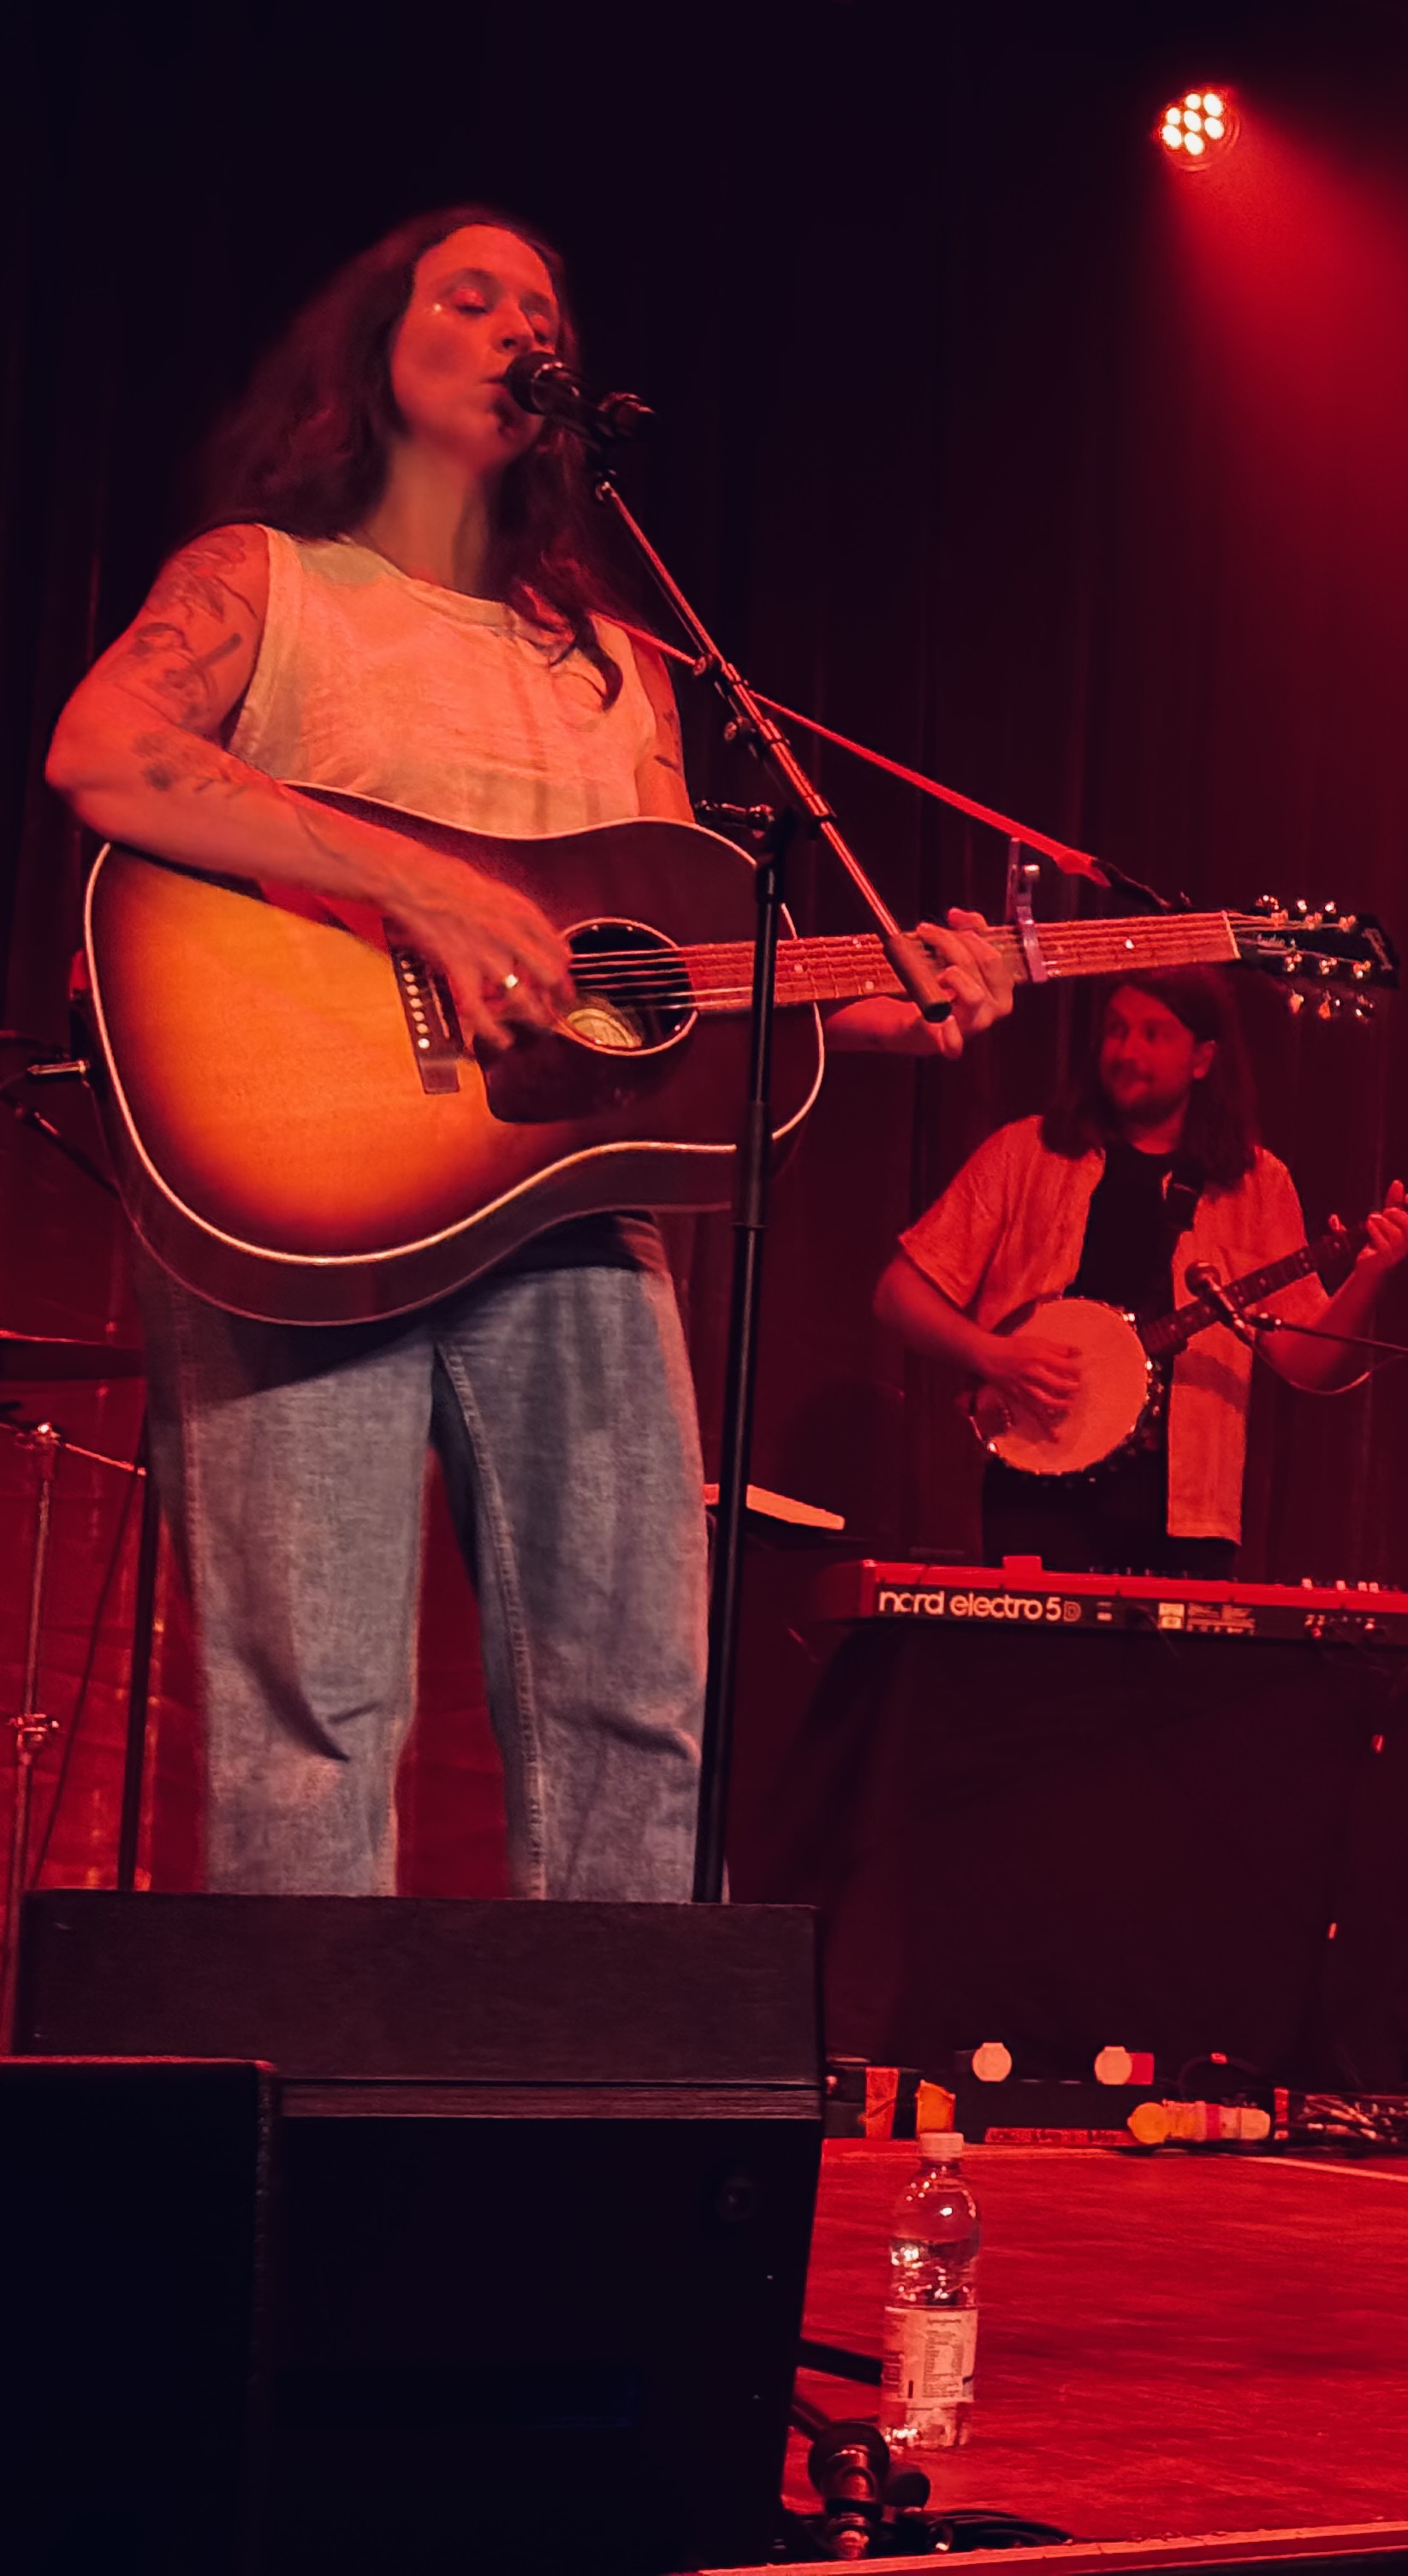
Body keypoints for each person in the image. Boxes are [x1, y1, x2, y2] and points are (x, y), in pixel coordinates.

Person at [44, 207, 1016, 1899]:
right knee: (315, 1704)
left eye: (540, 309)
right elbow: (105, 754)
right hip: (299, 1187)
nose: (512, 326)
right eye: (470, 295)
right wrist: (415, 884)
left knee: (634, 1691)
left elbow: (669, 966)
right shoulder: (264, 580)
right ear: (378, 344)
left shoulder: (616, 666)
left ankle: (606, 2127)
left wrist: (882, 995)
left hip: (570, 1206)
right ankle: (303, 2127)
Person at [873, 969, 1408, 1576]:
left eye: (1152, 1034)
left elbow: (1305, 1362)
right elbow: (897, 1294)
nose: (1126, 1051)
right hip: (1031, 1492)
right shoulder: (1026, 1153)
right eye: (1114, 1031)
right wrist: (991, 1356)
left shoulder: (1255, 1184)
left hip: (1186, 1515)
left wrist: (1370, 1273)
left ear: (1203, 1058)